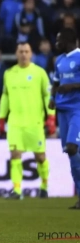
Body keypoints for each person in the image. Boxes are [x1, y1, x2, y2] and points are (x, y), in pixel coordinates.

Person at [0, 42, 56, 200]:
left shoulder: (39, 73)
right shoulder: (9, 73)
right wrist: (1, 118)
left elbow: (47, 95)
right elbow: (5, 96)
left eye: (26, 51)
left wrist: (51, 116)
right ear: (16, 54)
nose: (24, 54)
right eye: (21, 51)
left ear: (31, 54)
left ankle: (44, 185)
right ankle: (17, 190)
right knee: (15, 154)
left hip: (35, 122)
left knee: (40, 157)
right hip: (16, 123)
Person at [49, 28, 80, 209]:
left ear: (69, 40)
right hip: (62, 110)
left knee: (72, 147)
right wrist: (52, 99)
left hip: (77, 108)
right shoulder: (59, 61)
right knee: (71, 153)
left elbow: (65, 85)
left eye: (59, 40)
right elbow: (55, 83)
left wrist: (71, 86)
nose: (56, 43)